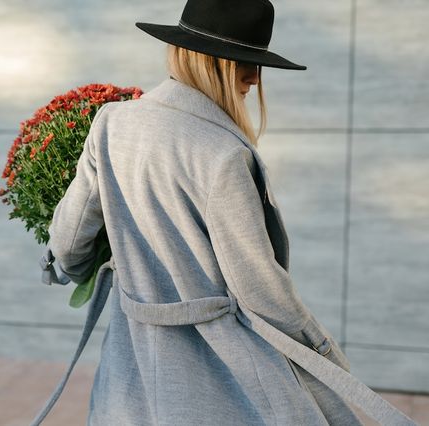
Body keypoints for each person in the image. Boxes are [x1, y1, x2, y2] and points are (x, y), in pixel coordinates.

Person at [33, 0, 416, 424]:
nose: (253, 78)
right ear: (207, 61)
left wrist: (82, 265)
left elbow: (68, 243)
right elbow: (258, 288)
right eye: (243, 63)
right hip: (216, 370)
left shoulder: (111, 124)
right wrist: (321, 350)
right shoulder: (223, 154)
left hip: (130, 363)